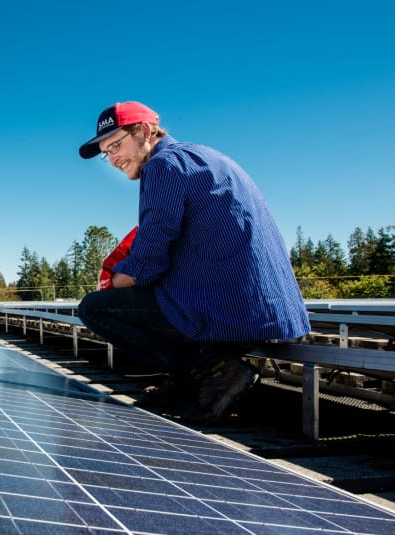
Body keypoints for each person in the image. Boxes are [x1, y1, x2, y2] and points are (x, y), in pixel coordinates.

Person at [77, 101, 310, 424]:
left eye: (117, 145)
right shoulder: (202, 157)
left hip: (233, 313)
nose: (113, 158)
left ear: (145, 131)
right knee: (145, 297)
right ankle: (190, 381)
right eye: (107, 152)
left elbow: (148, 259)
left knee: (95, 307)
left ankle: (216, 370)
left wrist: (112, 282)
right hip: (265, 309)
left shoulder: (163, 166)